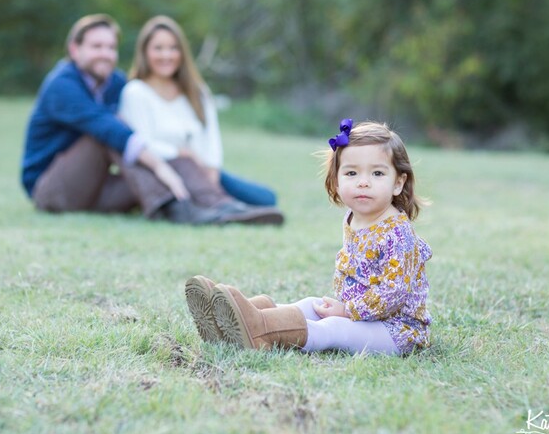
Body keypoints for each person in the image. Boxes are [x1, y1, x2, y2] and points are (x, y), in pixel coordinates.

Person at [185, 120, 432, 355]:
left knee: (335, 328)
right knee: (310, 305)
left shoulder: (398, 233)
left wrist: (347, 311)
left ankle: (260, 330)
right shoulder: (354, 216)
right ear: (336, 180)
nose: (363, 183)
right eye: (351, 173)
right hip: (364, 316)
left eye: (377, 174)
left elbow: (393, 293)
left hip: (398, 331)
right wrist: (344, 309)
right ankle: (239, 314)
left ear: (398, 183)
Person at [20, 13, 275, 225]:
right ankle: (181, 209)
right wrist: (161, 167)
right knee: (110, 132)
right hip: (51, 191)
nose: (105, 54)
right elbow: (111, 129)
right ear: (74, 49)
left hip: (95, 190)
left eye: (111, 47)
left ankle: (219, 206)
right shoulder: (62, 85)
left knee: (166, 154)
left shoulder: (113, 82)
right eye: (96, 46)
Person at [118, 15, 283, 222]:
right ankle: (223, 207)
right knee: (197, 179)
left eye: (173, 48)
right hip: (166, 168)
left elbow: (211, 137)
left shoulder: (196, 91)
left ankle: (223, 203)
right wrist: (180, 152)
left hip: (202, 168)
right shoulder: (135, 92)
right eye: (158, 48)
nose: (166, 55)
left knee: (267, 198)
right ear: (145, 52)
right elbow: (140, 142)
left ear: (182, 52)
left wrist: (212, 171)